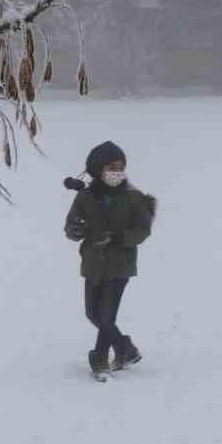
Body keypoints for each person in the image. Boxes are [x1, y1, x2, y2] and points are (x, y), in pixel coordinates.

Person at [62, 141, 156, 382]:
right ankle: (126, 349)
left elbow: (143, 230)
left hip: (120, 264)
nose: (117, 171)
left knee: (106, 316)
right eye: (111, 166)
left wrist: (118, 238)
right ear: (97, 169)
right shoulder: (85, 197)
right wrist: (75, 229)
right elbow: (71, 227)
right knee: (92, 313)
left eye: (121, 167)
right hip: (92, 263)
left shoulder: (133, 198)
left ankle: (100, 359)